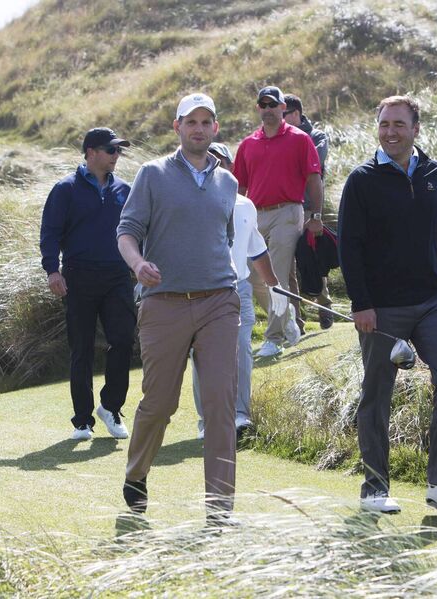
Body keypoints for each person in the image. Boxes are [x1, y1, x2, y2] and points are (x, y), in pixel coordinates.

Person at [118, 93, 280, 524]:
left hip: (219, 302)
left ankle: (220, 508)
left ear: (215, 129)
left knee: (220, 403)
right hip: (163, 303)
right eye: (191, 121)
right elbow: (128, 231)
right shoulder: (152, 175)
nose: (199, 129)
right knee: (160, 403)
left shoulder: (229, 183)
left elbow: (225, 242)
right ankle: (136, 473)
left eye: (207, 122)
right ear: (177, 127)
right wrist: (138, 264)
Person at [339, 95, 437, 516]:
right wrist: (361, 304)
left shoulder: (434, 174)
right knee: (377, 394)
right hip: (381, 308)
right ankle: (374, 489)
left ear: (416, 129)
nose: (391, 131)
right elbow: (349, 247)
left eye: (399, 124)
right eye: (384, 124)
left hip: (434, 300)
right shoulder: (361, 180)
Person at [39, 127, 135, 441]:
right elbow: (50, 233)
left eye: (118, 151)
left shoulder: (125, 190)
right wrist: (53, 270)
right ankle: (82, 420)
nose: (116, 156)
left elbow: (137, 230)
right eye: (111, 150)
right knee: (81, 348)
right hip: (79, 276)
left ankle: (110, 406)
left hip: (118, 274)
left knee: (122, 340)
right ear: (91, 152)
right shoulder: (65, 189)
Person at [192, 142, 287, 440]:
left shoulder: (246, 205)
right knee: (203, 356)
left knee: (242, 350)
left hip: (239, 289)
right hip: (200, 291)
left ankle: (241, 414)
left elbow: (257, 249)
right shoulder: (190, 202)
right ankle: (208, 419)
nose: (215, 166)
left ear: (231, 167)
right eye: (210, 160)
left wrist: (275, 286)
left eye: (221, 161)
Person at [233, 85, 324, 358]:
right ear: (258, 108)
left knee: (278, 273)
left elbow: (314, 179)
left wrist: (316, 216)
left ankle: (274, 338)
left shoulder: (299, 139)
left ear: (283, 107)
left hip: (289, 211)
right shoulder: (248, 144)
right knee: (250, 275)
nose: (268, 109)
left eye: (273, 104)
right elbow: (239, 188)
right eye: (263, 105)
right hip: (254, 214)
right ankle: (288, 320)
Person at [283, 93, 334, 330]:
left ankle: (324, 305)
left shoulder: (317, 137)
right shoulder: (278, 138)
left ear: (295, 114)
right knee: (287, 266)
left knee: (310, 259)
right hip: (285, 208)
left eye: (284, 114)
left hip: (307, 208)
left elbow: (311, 166)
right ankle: (296, 321)